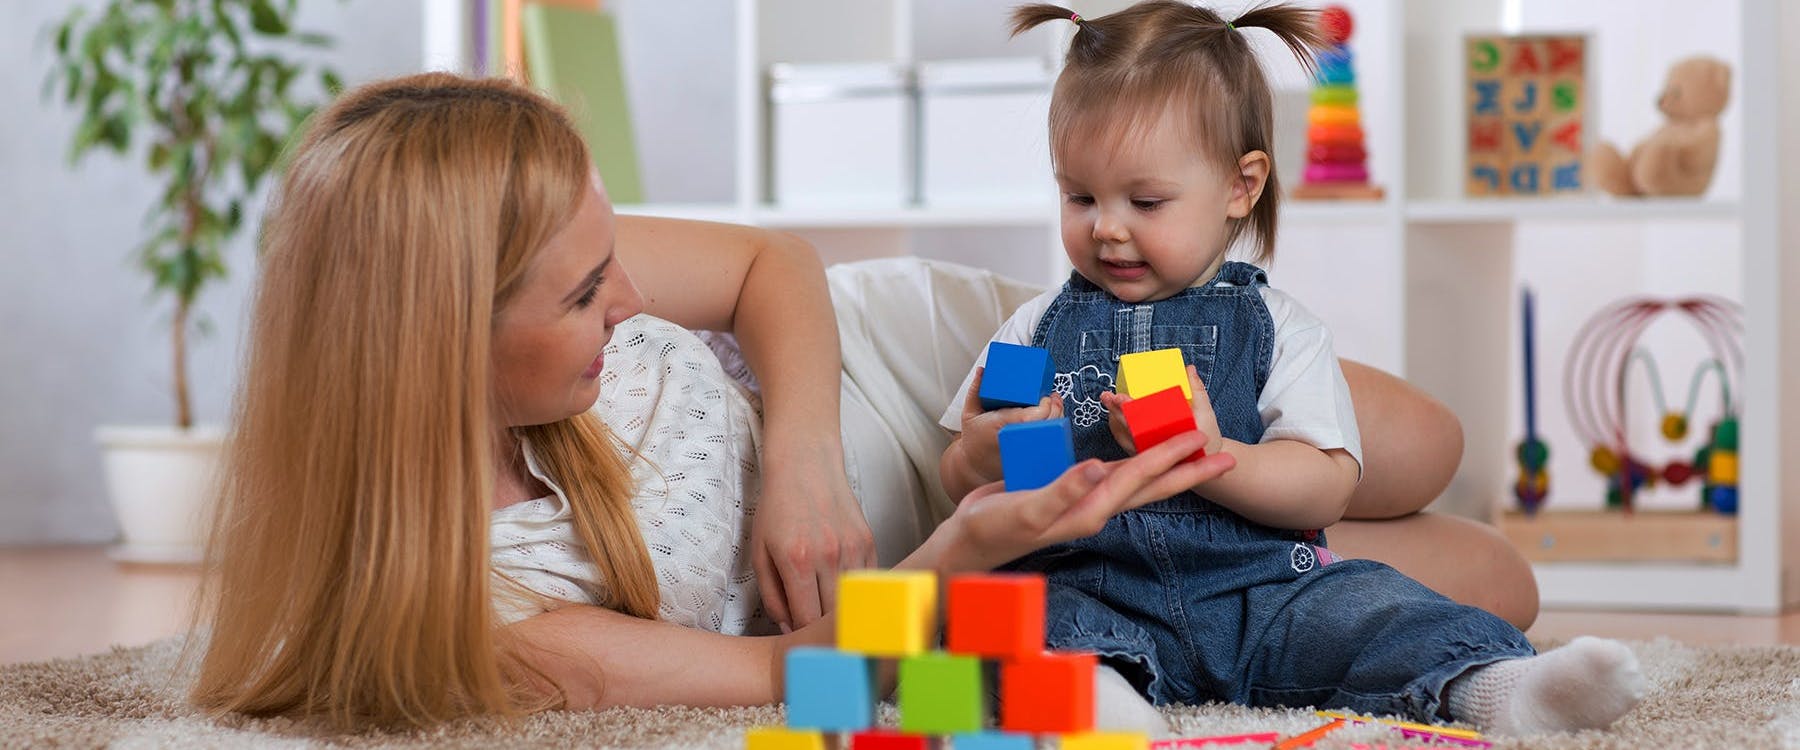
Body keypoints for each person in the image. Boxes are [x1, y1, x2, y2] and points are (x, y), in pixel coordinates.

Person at [189, 70, 1529, 730]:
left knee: (1420, 443)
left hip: (908, 368)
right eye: (588, 296)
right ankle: (1221, 592)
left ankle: (1236, 552)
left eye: (613, 264)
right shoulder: (498, 618)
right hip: (927, 552)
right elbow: (806, 672)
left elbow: (776, 268)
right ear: (436, 340)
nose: (634, 300)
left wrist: (805, 458)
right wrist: (970, 545)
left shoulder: (537, 239)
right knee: (1484, 579)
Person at [936, 2, 1641, 736]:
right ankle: (1101, 705)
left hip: (1260, 593)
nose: (1106, 226)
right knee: (1016, 616)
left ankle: (1501, 688)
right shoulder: (1034, 328)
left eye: (1145, 201)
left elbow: (1324, 487)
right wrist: (982, 455)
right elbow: (958, 477)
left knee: (1373, 607)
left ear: (1241, 186)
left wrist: (1217, 457)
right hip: (1093, 587)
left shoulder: (1277, 328)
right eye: (1079, 196)